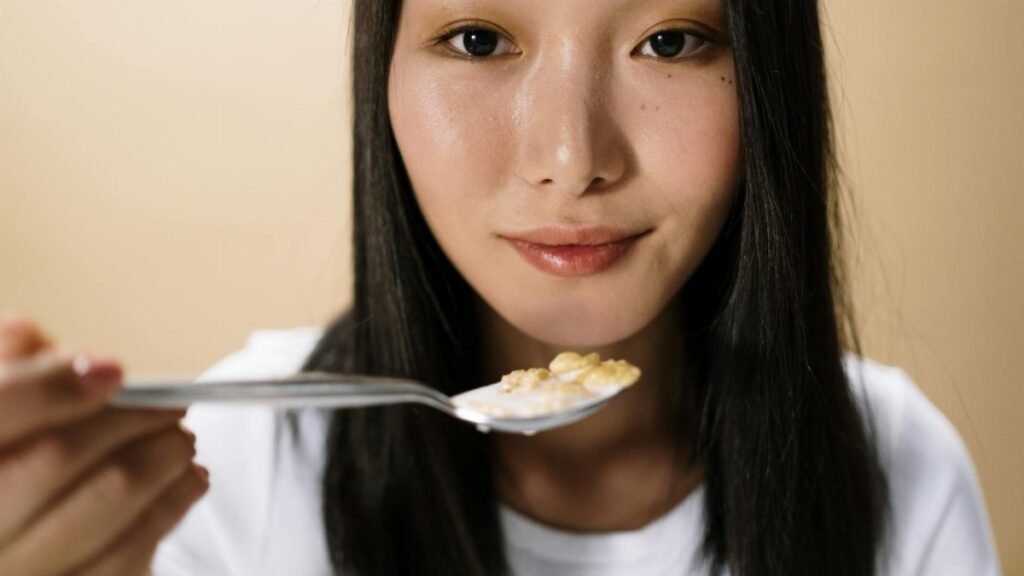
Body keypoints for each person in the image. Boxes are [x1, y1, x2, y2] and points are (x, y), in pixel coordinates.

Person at [0, 0, 1001, 574]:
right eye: (478, 39)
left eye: (671, 39)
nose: (571, 159)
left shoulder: (895, 468)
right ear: (378, 75)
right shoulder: (227, 472)